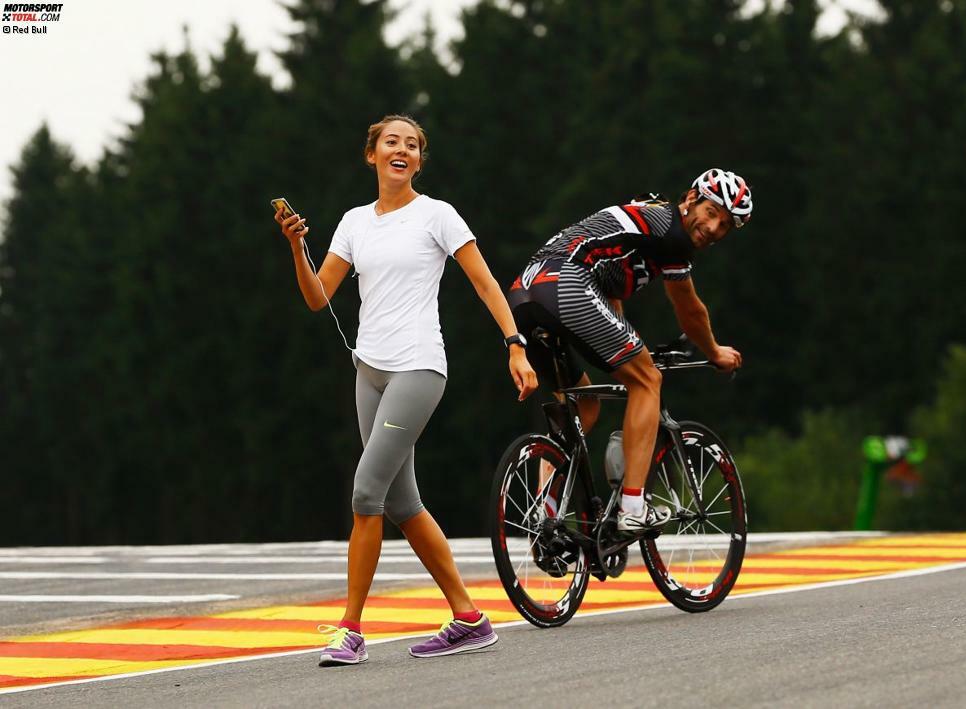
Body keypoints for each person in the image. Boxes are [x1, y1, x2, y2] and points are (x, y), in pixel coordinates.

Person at [275, 114, 537, 666]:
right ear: (371, 155)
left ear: (419, 160)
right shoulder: (353, 223)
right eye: (391, 142)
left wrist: (514, 342)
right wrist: (298, 249)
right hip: (368, 370)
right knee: (401, 502)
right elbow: (319, 297)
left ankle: (349, 630)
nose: (403, 150)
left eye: (413, 145)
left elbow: (486, 282)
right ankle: (469, 618)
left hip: (418, 369)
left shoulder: (436, 215)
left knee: (366, 492)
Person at [506, 169, 751, 531]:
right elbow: (689, 309)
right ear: (690, 199)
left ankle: (546, 516)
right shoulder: (673, 233)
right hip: (566, 285)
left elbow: (611, 290)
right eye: (712, 213)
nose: (715, 228)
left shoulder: (650, 225)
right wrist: (714, 352)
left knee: (585, 406)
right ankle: (633, 507)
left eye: (726, 226)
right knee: (647, 381)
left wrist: (631, 347)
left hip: (525, 294)